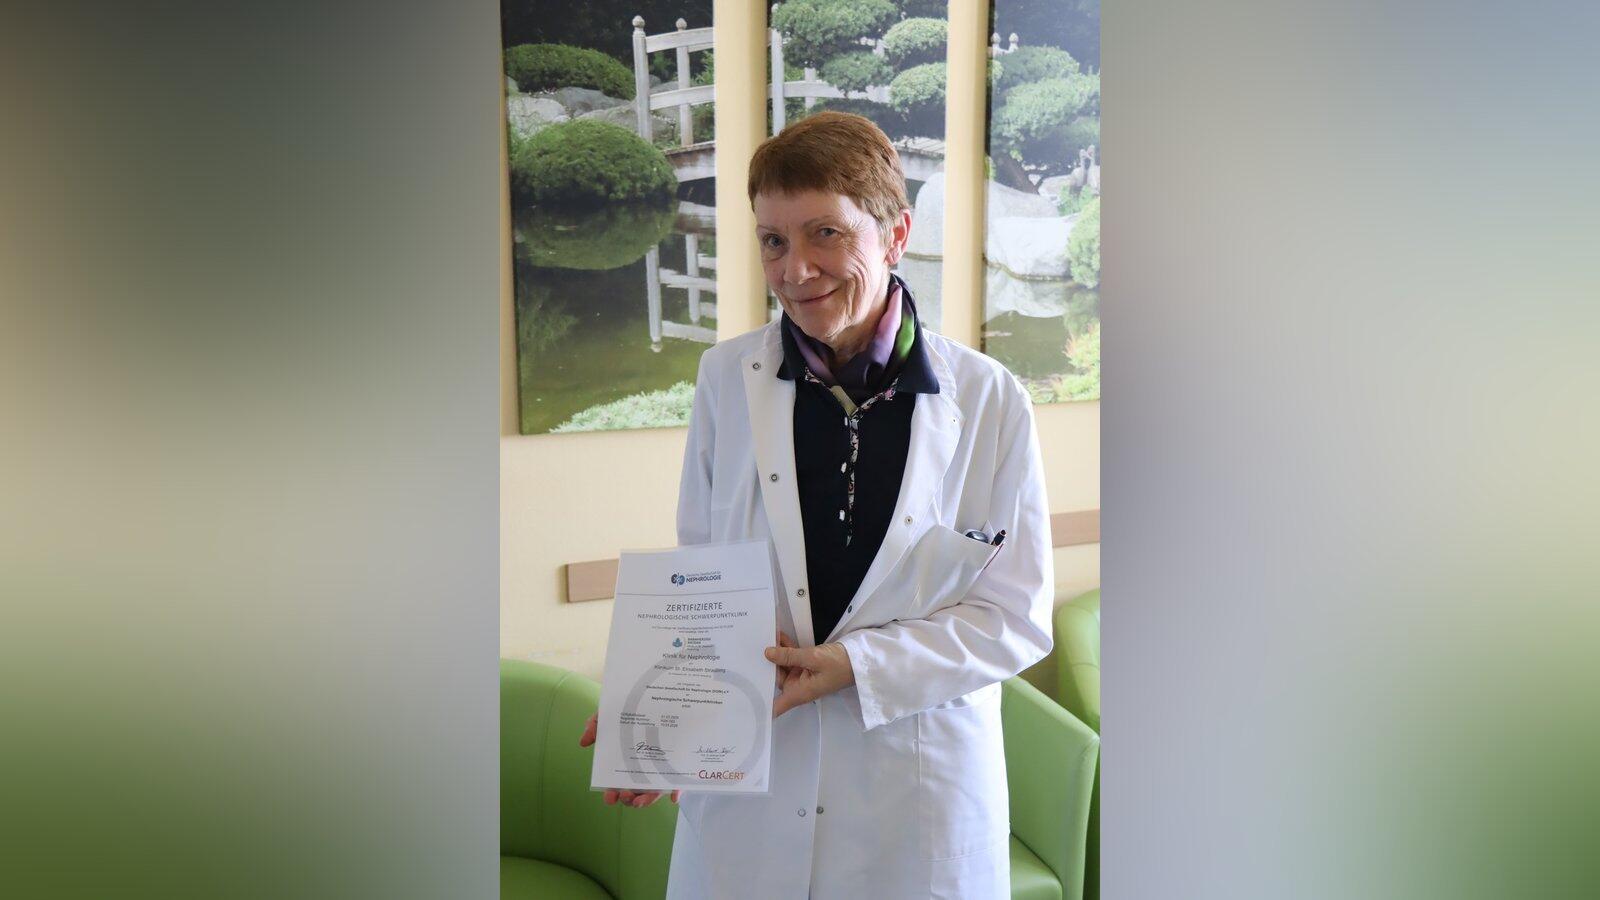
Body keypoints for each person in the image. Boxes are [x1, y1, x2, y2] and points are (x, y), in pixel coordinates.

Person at [579, 111, 1054, 899]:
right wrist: (665, 711)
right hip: (755, 789)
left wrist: (855, 667)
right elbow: (705, 579)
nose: (795, 269)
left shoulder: (990, 399)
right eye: (773, 240)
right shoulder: (725, 380)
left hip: (917, 796)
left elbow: (1015, 618)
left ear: (896, 235)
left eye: (825, 233)